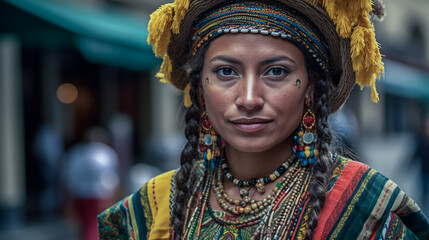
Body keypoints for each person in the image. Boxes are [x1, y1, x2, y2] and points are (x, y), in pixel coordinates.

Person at [98, 0, 429, 239]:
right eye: (226, 72)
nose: (249, 99)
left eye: (276, 72)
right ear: (201, 87)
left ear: (311, 87)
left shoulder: (364, 205)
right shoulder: (154, 205)